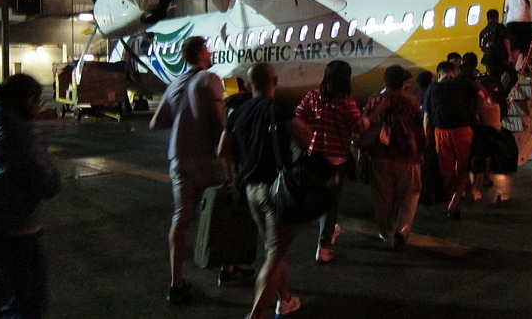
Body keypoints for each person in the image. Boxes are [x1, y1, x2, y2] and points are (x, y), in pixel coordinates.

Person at [218, 63, 312, 319]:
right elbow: (304, 138)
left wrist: (233, 176)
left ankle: (286, 300)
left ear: (249, 86)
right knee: (277, 253)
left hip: (251, 191)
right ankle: (255, 314)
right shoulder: (278, 107)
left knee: (274, 250)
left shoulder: (238, 111)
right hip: (277, 190)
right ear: (275, 81)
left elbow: (222, 151)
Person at [0, 74, 62, 318]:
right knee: (26, 306)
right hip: (17, 234)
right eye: (39, 101)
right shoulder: (23, 134)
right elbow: (49, 183)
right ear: (31, 101)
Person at [149, 36, 226, 304]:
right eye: (208, 48)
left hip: (178, 158)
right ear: (201, 53)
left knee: (181, 219)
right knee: (223, 210)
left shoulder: (175, 84)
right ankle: (227, 269)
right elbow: (221, 123)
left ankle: (176, 281)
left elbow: (157, 122)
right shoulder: (210, 79)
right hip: (205, 159)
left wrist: (184, 119)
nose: (211, 52)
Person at [295, 60, 369, 263]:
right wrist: (372, 117)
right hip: (335, 160)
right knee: (330, 203)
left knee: (317, 197)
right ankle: (324, 247)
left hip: (313, 156)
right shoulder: (346, 101)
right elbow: (358, 126)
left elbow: (298, 117)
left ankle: (328, 230)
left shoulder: (312, 96)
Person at [363, 66, 426, 250]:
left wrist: (362, 155)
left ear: (385, 81)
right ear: (404, 82)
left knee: (383, 198)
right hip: (407, 155)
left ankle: (386, 233)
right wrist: (421, 151)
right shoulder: (412, 102)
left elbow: (365, 126)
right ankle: (401, 230)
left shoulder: (375, 100)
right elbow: (418, 130)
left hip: (380, 155)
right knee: (409, 196)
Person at [422, 61, 482, 219]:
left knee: (446, 170)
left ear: (439, 74)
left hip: (441, 132)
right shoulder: (464, 83)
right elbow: (481, 96)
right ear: (454, 72)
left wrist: (426, 135)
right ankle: (453, 203)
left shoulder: (432, 88)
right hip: (462, 130)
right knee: (463, 168)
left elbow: (427, 116)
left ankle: (449, 200)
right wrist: (476, 113)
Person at [478, 9, 510, 81]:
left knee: (493, 79)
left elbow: (481, 47)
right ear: (497, 17)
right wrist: (509, 55)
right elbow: (506, 41)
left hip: (488, 59)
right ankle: (502, 91)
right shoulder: (500, 27)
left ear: (487, 18)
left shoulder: (482, 32)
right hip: (499, 57)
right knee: (510, 76)